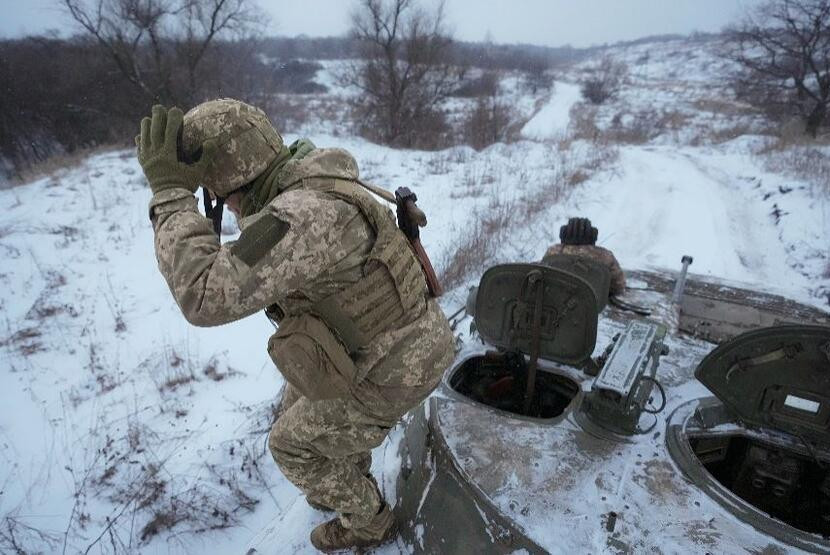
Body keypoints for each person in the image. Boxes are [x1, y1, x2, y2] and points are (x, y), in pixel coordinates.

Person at [135, 99, 454, 552]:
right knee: (295, 403)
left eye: (216, 192)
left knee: (291, 446)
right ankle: (348, 472)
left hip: (399, 364)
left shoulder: (302, 216)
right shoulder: (308, 174)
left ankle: (370, 523)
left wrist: (170, 195)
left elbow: (203, 296)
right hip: (390, 341)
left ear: (230, 181)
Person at [543, 217, 626, 296]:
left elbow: (541, 274)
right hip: (594, 307)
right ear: (593, 235)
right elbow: (618, 286)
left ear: (563, 234)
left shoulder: (553, 252)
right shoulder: (605, 255)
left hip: (556, 303)